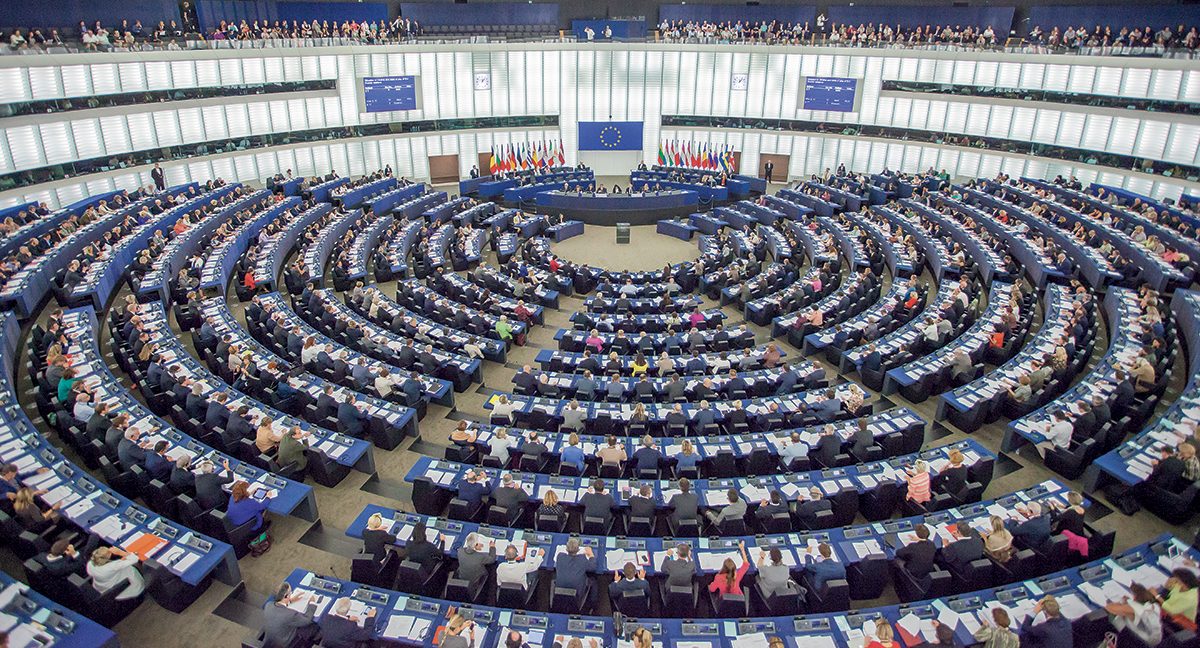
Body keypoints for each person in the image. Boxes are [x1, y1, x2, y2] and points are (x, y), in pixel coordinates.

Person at [262, 583, 319, 648]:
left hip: (271, 641)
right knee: (314, 626)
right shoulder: (290, 614)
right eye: (290, 593)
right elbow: (307, 619)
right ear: (286, 596)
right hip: (285, 644)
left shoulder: (268, 605)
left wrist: (290, 601)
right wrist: (312, 603)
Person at [555, 538, 596, 604]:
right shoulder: (582, 558)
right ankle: (593, 603)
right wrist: (591, 554)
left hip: (559, 592)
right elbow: (593, 567)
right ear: (578, 549)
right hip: (577, 594)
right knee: (593, 580)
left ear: (566, 549)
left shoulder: (560, 556)